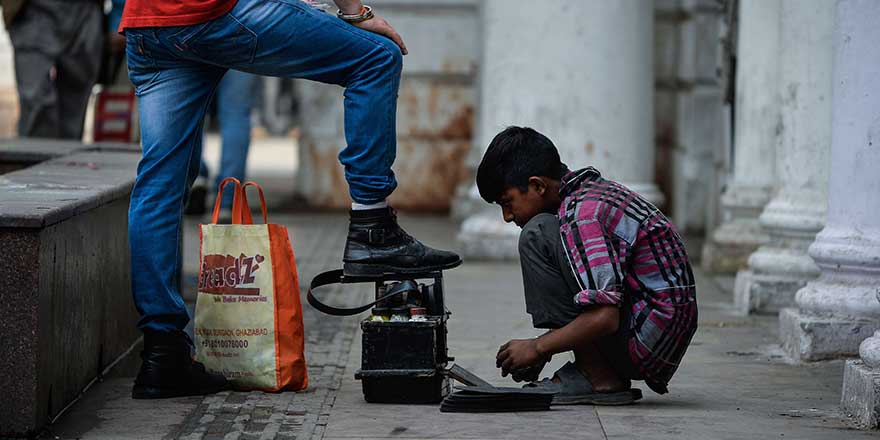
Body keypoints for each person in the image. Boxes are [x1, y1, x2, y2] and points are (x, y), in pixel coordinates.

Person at [120, 0, 461, 399]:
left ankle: (162, 354)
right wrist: (356, 12)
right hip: (214, 11)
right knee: (376, 57)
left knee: (160, 186)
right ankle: (373, 227)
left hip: (148, 24)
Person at [478, 126, 697, 405]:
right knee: (545, 231)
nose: (507, 216)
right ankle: (598, 368)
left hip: (646, 340)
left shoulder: (583, 215)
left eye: (507, 202)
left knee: (537, 235)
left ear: (538, 185)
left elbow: (606, 317)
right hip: (654, 333)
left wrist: (537, 347)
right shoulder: (586, 195)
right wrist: (546, 349)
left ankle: (599, 377)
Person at [3, 0, 103, 139]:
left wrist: (118, 16)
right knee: (36, 101)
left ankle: (67, 157)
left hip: (85, 9)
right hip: (31, 9)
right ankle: (34, 156)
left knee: (74, 109)